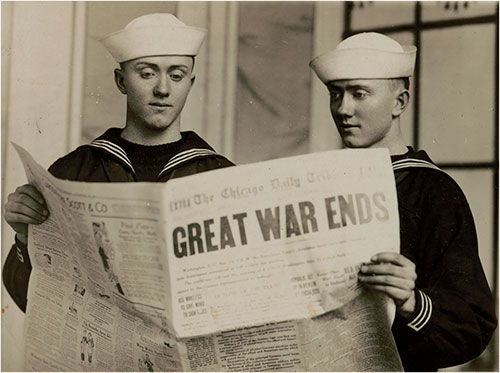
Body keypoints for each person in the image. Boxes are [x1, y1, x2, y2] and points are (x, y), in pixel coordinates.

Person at [3, 13, 234, 313]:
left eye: (176, 75)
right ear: (121, 81)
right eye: (147, 74)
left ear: (190, 83)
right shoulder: (72, 172)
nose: (163, 89)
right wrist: (23, 236)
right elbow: (29, 302)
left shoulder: (222, 176)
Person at [309, 32, 497, 371]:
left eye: (359, 93)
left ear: (400, 102)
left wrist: (411, 302)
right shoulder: (318, 183)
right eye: (335, 93)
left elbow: (474, 326)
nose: (343, 109)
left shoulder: (434, 191)